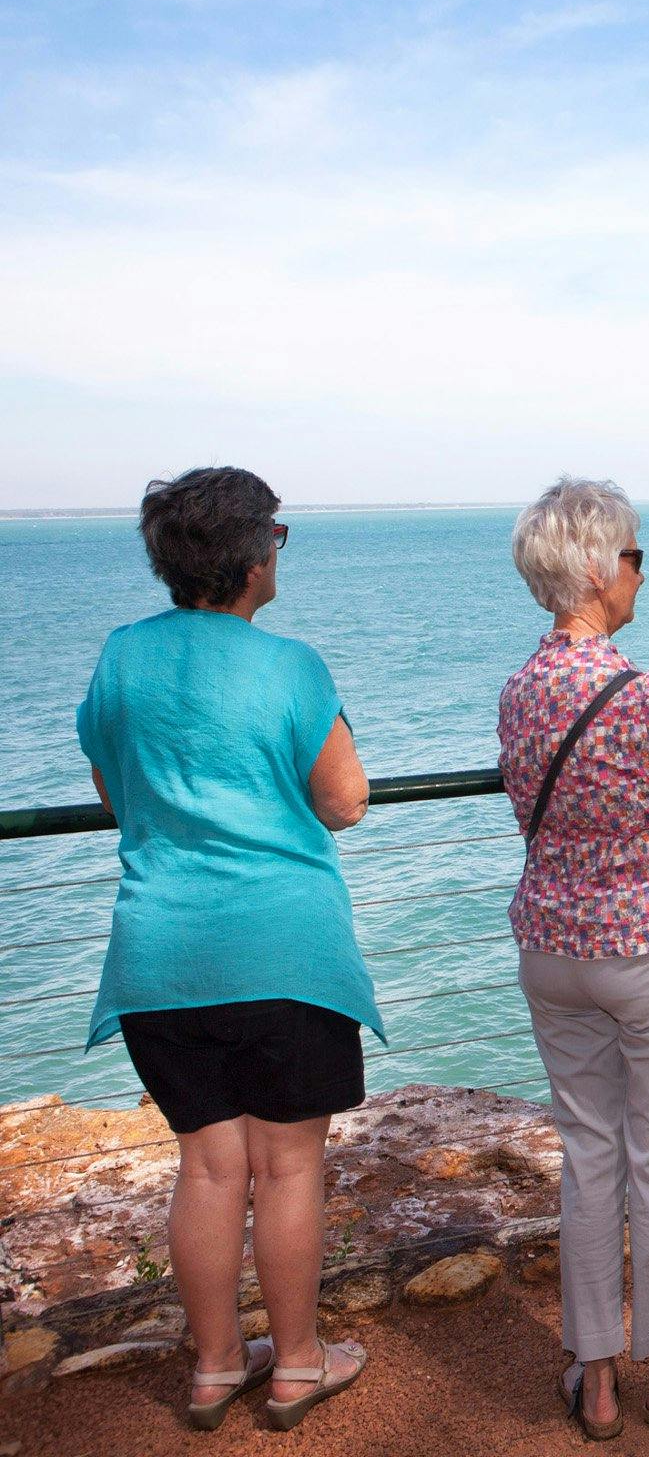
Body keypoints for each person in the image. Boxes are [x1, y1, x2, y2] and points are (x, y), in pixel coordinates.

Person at [75, 467, 380, 1432]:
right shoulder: (290, 666)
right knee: (288, 1166)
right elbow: (345, 800)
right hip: (285, 947)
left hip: (161, 952)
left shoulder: (122, 657)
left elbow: (115, 786)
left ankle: (214, 1368)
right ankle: (296, 1364)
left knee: (208, 1167)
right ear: (252, 557)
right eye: (278, 537)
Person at [500, 478, 649, 1438]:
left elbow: (533, 810)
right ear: (597, 570)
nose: (642, 572)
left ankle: (595, 1382)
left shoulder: (518, 694)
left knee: (588, 1156)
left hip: (554, 948)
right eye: (636, 556)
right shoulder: (648, 697)